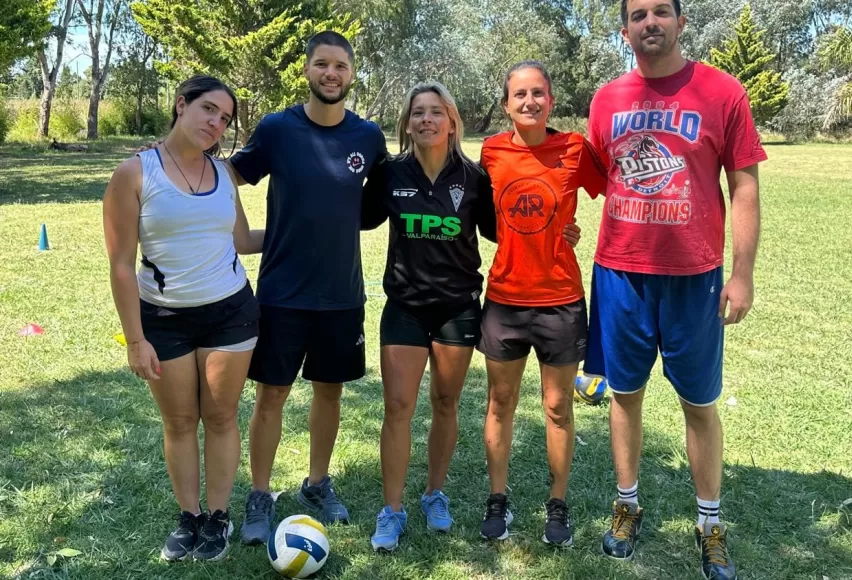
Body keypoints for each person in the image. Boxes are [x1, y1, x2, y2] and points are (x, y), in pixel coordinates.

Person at [360, 82, 583, 552]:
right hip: (404, 305)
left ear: (452, 121)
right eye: (417, 112)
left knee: (446, 402)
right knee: (398, 407)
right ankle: (392, 509)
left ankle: (434, 494)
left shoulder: (475, 177)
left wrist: (562, 227)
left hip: (458, 304)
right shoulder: (389, 173)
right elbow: (356, 217)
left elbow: (507, 230)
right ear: (406, 122)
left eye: (435, 112)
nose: (426, 120)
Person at [585, 1, 766, 578]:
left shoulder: (721, 92)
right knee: (624, 396)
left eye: (662, 11)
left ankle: (710, 524)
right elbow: (589, 174)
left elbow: (743, 187)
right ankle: (626, 505)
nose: (650, 22)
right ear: (625, 31)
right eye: (638, 15)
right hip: (620, 273)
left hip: (694, 277)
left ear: (682, 22)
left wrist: (742, 272)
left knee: (699, 403)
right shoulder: (607, 99)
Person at [229, 31, 387, 543]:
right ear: (307, 71)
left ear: (351, 73)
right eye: (322, 64)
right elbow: (226, 174)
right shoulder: (277, 129)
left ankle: (317, 482)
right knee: (271, 393)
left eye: (340, 65)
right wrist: (241, 233)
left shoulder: (368, 137)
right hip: (281, 292)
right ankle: (259, 493)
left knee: (329, 390)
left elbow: (382, 202)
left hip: (342, 293)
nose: (331, 74)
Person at [103, 75, 264, 562]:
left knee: (219, 417)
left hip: (231, 313)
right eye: (209, 110)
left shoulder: (224, 175)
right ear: (181, 105)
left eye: (225, 118)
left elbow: (240, 241)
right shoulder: (134, 174)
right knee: (178, 421)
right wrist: (135, 339)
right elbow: (120, 264)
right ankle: (188, 516)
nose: (216, 123)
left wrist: (297, 228)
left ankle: (217, 517)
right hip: (164, 319)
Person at [477, 61, 607, 547]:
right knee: (501, 403)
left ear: (550, 99)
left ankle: (557, 504)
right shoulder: (491, 152)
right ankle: (497, 499)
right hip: (505, 300)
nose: (529, 102)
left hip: (561, 300)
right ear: (507, 103)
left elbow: (614, 193)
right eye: (519, 95)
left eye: (538, 93)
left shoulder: (574, 147)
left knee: (557, 407)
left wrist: (575, 233)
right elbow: (483, 214)